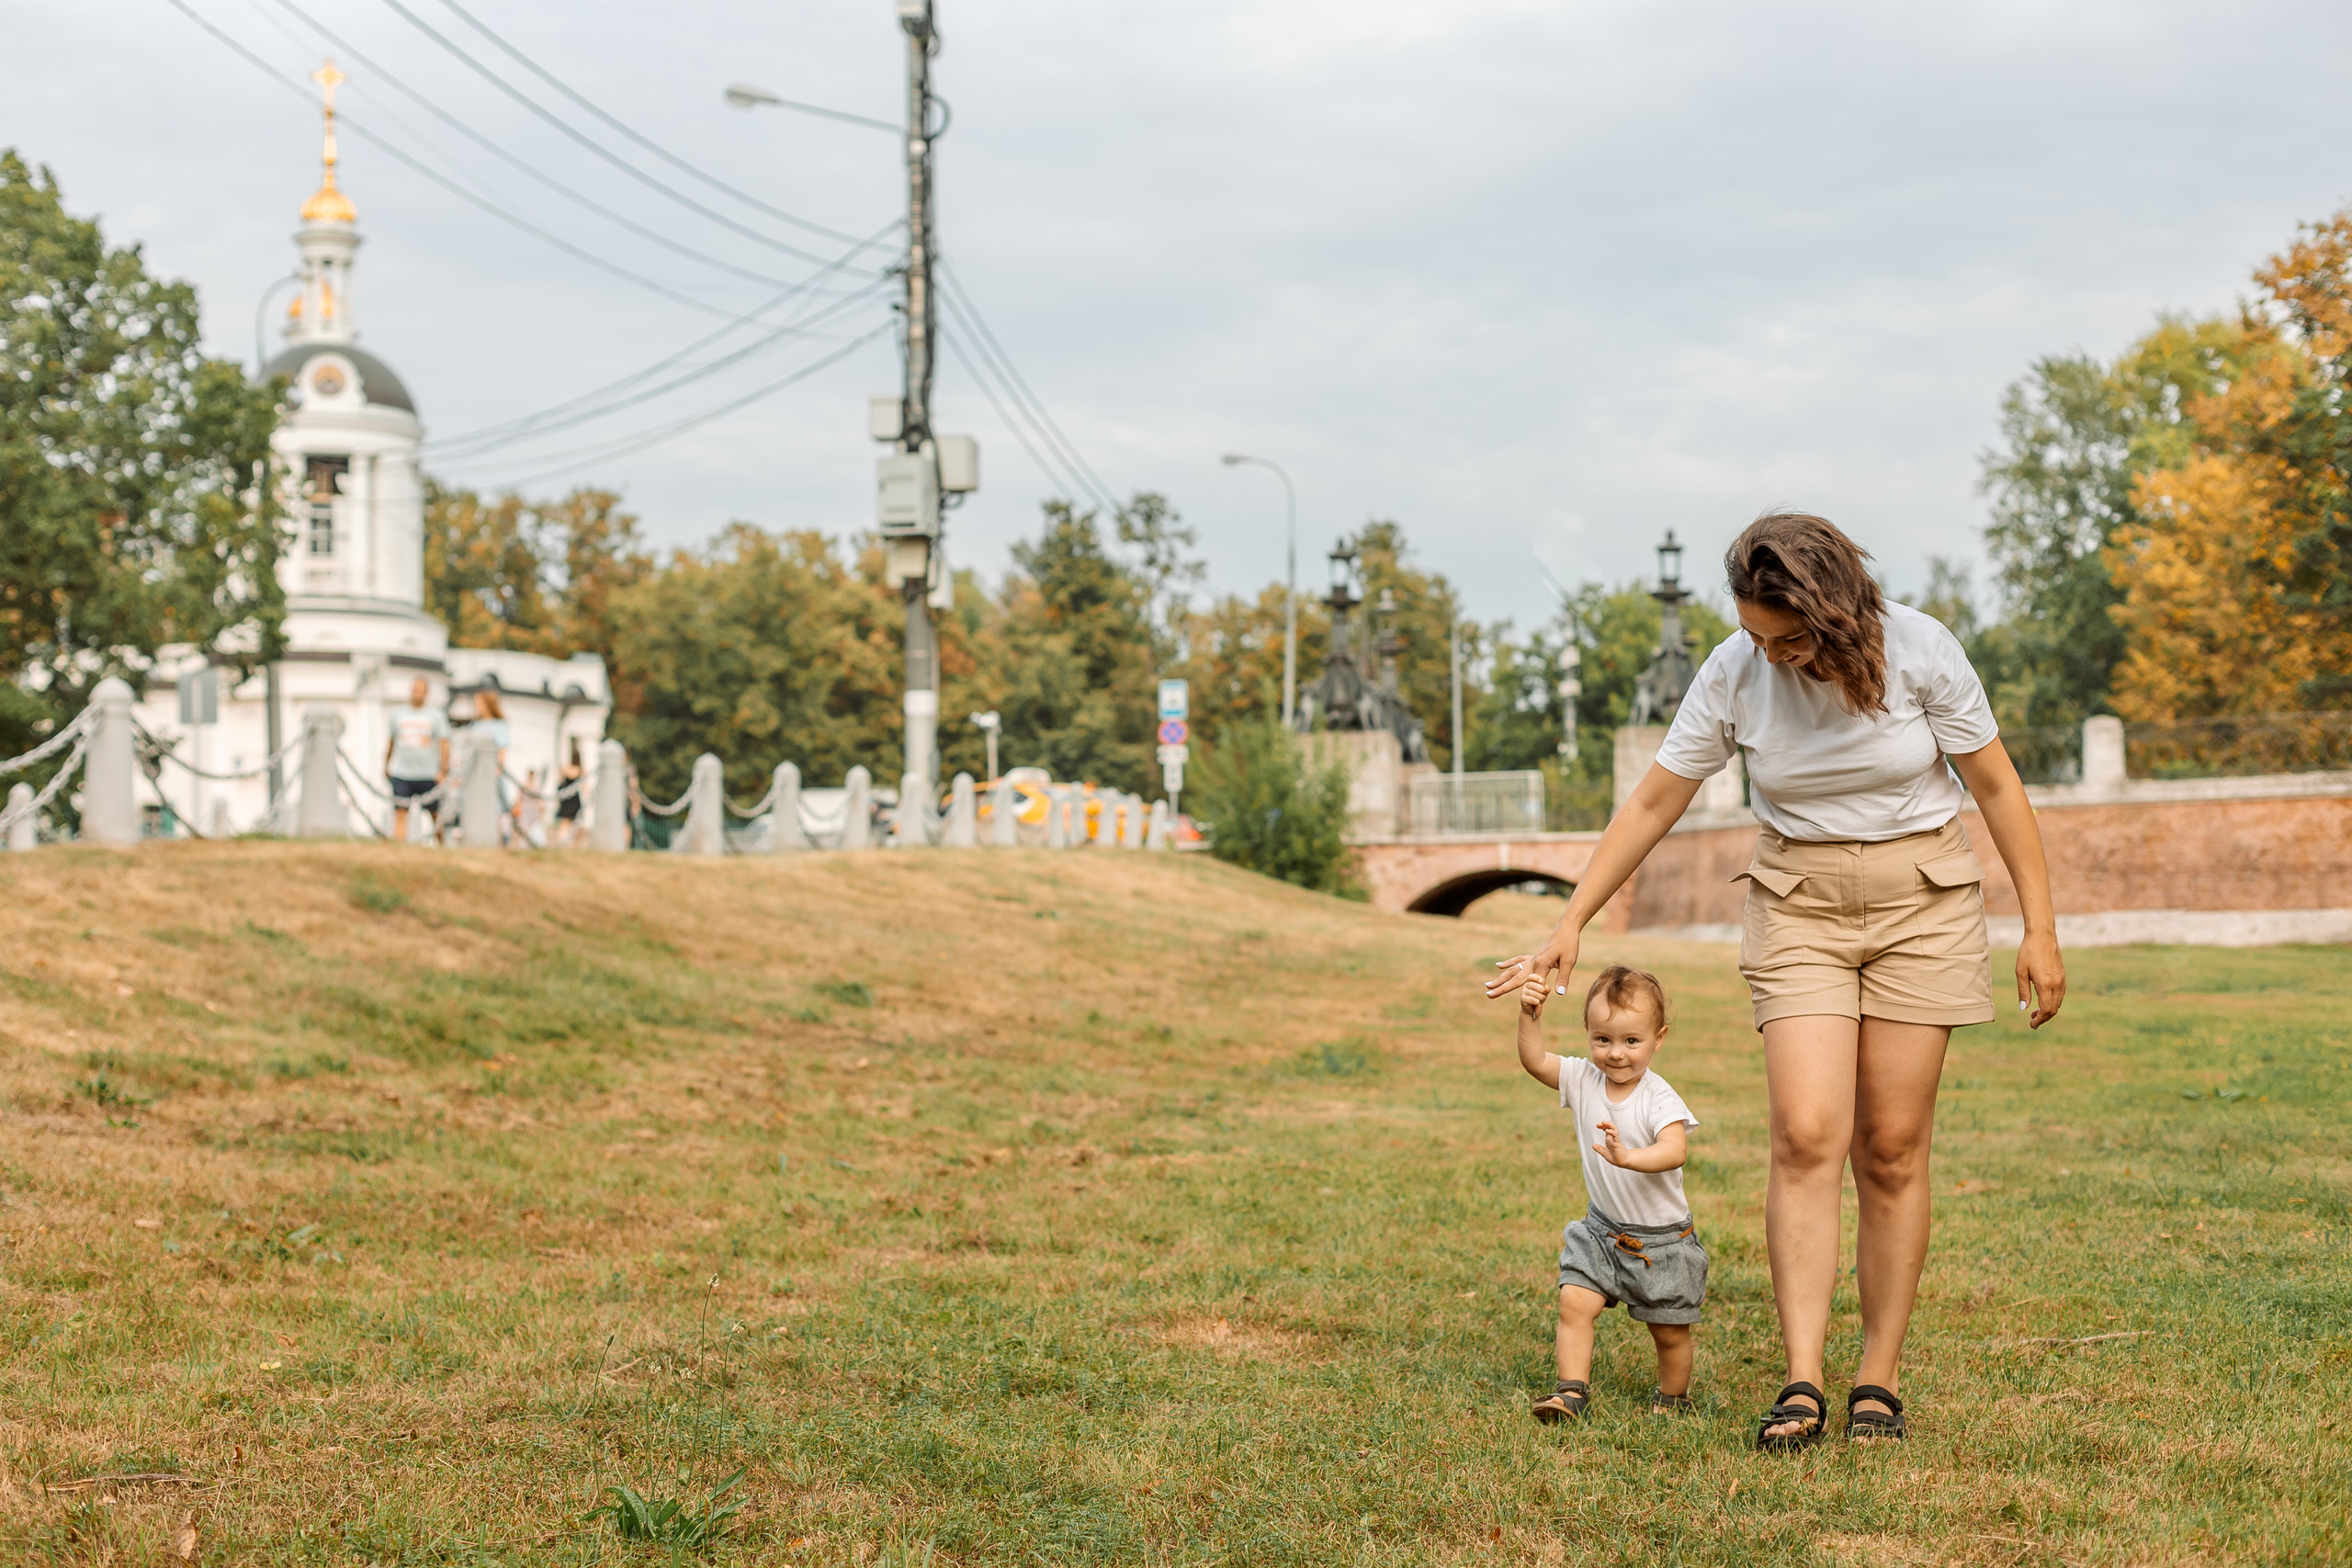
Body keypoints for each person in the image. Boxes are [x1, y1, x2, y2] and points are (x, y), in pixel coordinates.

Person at [1487, 512, 2065, 1450]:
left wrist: (2039, 928)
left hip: (1923, 897)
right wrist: (1572, 917)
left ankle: (1876, 1378)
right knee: (1804, 1134)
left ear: (1837, 614)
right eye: (1757, 633)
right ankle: (1802, 1379)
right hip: (1797, 900)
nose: (1771, 653)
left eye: (1788, 636)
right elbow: (1656, 796)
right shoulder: (1734, 668)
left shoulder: (1921, 650)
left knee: (1890, 1145)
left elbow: (1995, 786)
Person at [1514, 963, 1706, 1423]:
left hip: (1660, 1242)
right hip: (1601, 1229)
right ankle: (1570, 1392)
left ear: (1657, 1039)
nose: (1615, 1054)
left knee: (1669, 1331)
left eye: (1631, 1041)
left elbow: (1675, 1150)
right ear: (1588, 1034)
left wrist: (1629, 1158)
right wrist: (1530, 1016)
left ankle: (1673, 1397)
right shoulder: (1583, 1080)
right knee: (1575, 1300)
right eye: (1602, 1040)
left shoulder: (1659, 1097)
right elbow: (1535, 1061)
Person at [383, 677, 448, 844]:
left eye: (419, 690)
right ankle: (399, 848)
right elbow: (391, 741)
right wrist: (386, 764)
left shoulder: (435, 715)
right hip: (402, 772)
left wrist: (443, 771)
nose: (415, 693)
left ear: (426, 693)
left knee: (435, 814)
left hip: (428, 773)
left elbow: (444, 743)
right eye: (414, 689)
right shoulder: (398, 714)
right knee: (400, 812)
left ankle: (442, 847)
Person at [466, 688, 514, 846]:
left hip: (492, 775)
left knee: (499, 808)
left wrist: (497, 770)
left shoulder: (499, 725)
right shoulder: (475, 726)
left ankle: (503, 838)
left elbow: (501, 749)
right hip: (476, 776)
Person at [552, 738, 586, 848]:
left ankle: (562, 844)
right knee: (576, 825)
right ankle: (573, 845)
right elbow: (585, 787)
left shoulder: (565, 768)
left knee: (564, 824)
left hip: (567, 800)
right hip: (575, 799)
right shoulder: (581, 770)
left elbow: (560, 783)